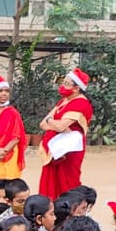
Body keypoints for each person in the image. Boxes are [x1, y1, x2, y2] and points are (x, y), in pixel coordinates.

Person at [36, 68, 93, 200]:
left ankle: (69, 209)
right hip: (54, 148)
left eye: (66, 84)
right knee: (51, 181)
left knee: (67, 182)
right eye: (63, 82)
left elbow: (59, 125)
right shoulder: (64, 101)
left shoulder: (81, 103)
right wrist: (53, 123)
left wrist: (51, 121)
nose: (62, 86)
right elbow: (42, 124)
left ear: (77, 88)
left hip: (69, 152)